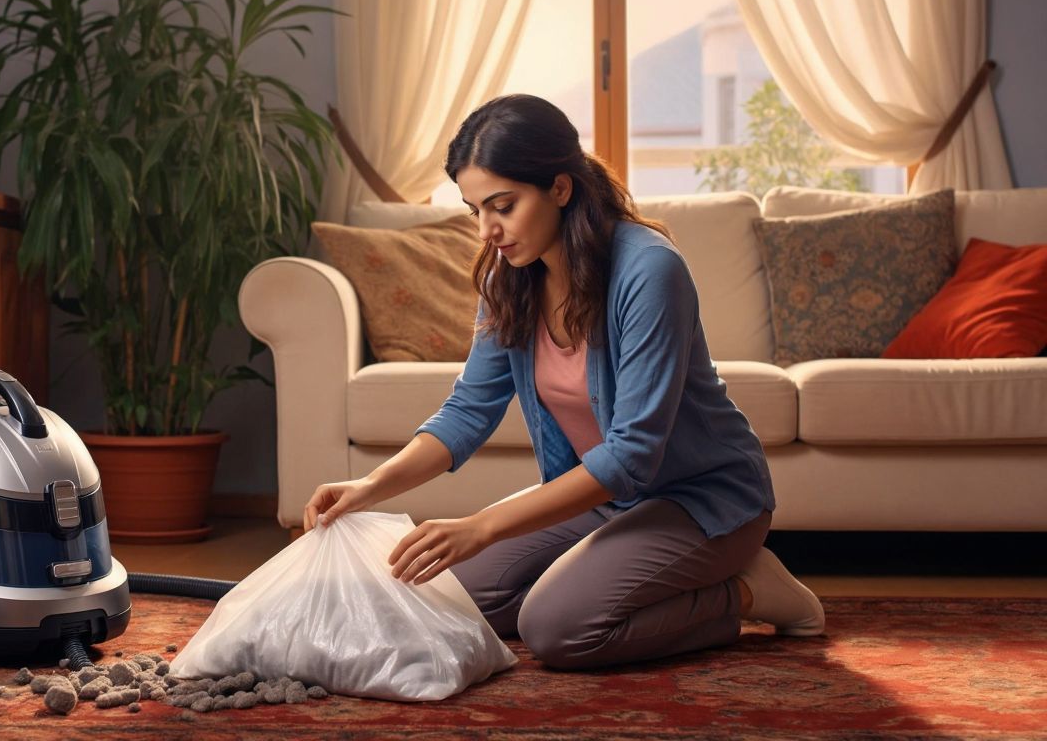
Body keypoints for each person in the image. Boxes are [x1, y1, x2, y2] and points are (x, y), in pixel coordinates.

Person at [302, 94, 824, 671]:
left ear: (559, 188)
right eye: (475, 210)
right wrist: (369, 486)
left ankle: (747, 591)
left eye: (503, 206)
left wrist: (480, 528)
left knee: (556, 630)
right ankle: (609, 584)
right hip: (605, 501)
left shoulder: (650, 270)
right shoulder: (510, 277)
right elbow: (468, 411)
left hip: (703, 500)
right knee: (445, 597)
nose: (488, 230)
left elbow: (631, 456)